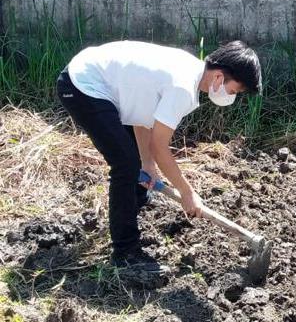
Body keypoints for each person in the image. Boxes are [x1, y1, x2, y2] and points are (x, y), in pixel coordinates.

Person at [57, 40, 262, 276]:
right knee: (125, 164)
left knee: (134, 161)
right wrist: (187, 192)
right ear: (218, 77)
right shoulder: (183, 88)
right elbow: (159, 145)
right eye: (234, 90)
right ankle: (126, 253)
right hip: (82, 85)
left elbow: (142, 116)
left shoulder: (190, 68)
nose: (231, 97)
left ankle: (134, 204)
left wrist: (148, 164)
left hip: (91, 76)